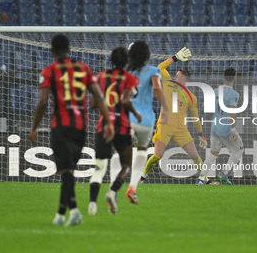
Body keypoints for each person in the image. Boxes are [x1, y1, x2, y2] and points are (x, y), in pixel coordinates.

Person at [30, 34, 114, 226]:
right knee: (69, 171)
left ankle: (75, 211)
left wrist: (34, 127)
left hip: (61, 126)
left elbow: (43, 102)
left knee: (66, 171)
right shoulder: (84, 68)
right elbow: (98, 96)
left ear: (52, 51)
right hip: (81, 126)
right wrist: (108, 122)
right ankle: (60, 216)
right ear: (69, 49)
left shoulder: (50, 70)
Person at [109, 40, 169, 205]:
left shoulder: (124, 73)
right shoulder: (154, 71)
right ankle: (132, 187)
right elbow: (157, 88)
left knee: (117, 152)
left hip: (127, 118)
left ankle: (113, 186)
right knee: (142, 151)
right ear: (147, 56)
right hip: (146, 120)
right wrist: (166, 109)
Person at [141, 48, 207, 181]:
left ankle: (205, 179)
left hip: (181, 129)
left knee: (195, 155)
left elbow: (195, 117)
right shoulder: (167, 82)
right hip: (164, 125)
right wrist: (175, 58)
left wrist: (201, 135)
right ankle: (143, 175)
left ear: (183, 77)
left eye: (177, 75)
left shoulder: (191, 97)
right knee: (158, 155)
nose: (175, 76)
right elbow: (160, 67)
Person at [88, 46, 140, 215]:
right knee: (126, 165)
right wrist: (135, 112)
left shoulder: (101, 77)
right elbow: (126, 100)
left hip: (103, 125)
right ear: (127, 61)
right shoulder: (130, 78)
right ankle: (112, 192)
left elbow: (92, 104)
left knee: (100, 167)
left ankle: (92, 205)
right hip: (122, 126)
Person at [196, 67, 244, 186]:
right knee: (239, 150)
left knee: (213, 153)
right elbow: (232, 112)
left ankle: (201, 178)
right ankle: (224, 173)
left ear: (223, 76)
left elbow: (203, 106)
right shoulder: (234, 94)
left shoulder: (216, 91)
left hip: (215, 127)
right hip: (226, 127)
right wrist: (233, 129)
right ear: (235, 77)